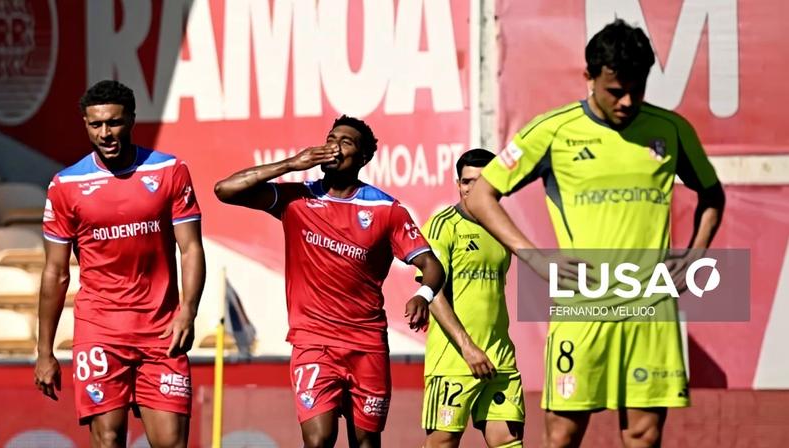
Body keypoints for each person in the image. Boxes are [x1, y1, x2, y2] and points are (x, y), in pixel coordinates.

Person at [465, 19, 725, 448]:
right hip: (582, 309)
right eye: (615, 90)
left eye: (636, 89)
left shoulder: (670, 130)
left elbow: (712, 195)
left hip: (651, 308)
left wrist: (695, 256)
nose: (627, 102)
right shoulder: (552, 131)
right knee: (563, 434)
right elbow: (481, 197)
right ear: (589, 78)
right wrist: (536, 258)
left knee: (643, 434)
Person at [214, 115, 445, 448]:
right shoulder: (296, 199)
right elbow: (225, 190)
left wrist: (423, 295)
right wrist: (292, 164)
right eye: (331, 138)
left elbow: (431, 264)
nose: (334, 146)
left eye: (346, 142)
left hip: (366, 344)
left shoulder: (385, 210)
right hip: (313, 342)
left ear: (363, 158)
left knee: (365, 442)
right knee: (319, 438)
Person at [34, 80, 206, 448]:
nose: (105, 133)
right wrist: (44, 351)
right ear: (85, 123)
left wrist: (188, 312)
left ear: (131, 120)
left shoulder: (169, 171)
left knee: (172, 443)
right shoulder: (66, 184)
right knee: (108, 439)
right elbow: (56, 272)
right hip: (100, 331)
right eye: (96, 125)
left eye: (113, 123)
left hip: (161, 331)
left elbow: (190, 249)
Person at [419, 148, 525, 448]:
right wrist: (468, 348)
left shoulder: (503, 229)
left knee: (507, 442)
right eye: (467, 182)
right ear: (458, 184)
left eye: (481, 182)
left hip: (500, 358)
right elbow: (432, 290)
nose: (472, 190)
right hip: (454, 360)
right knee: (442, 442)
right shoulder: (443, 226)